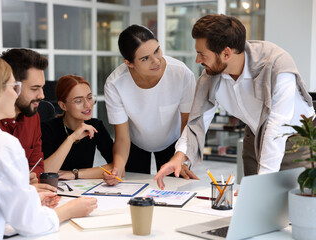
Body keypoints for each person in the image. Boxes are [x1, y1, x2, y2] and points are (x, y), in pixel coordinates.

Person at [155, 14, 315, 189]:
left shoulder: (276, 66)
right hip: (254, 138)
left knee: (295, 208)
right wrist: (179, 156)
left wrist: (261, 186)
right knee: (253, 208)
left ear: (226, 53)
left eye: (202, 54)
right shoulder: (211, 76)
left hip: (297, 141)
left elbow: (277, 128)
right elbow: (197, 121)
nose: (197, 60)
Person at [0, 54, 97, 239]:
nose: (16, 94)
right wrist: (70, 210)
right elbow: (30, 224)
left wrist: (27, 196)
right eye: (14, 87)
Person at [104, 24, 197, 185]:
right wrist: (117, 169)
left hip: (174, 142)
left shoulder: (181, 74)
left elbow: (187, 125)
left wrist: (182, 160)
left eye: (157, 51)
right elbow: (122, 138)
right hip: (134, 144)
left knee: (176, 190)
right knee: (131, 190)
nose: (156, 61)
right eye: (145, 58)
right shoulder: (115, 84)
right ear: (129, 63)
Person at [41, 74, 114, 179]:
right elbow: (45, 171)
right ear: (63, 105)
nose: (88, 105)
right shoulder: (48, 128)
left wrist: (75, 174)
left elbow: (117, 167)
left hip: (83, 188)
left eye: (89, 98)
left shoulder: (96, 126)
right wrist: (72, 138)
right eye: (78, 101)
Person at [0, 48, 47, 180]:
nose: (42, 95)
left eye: (42, 87)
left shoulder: (33, 117)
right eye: (35, 88)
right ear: (13, 86)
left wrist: (31, 178)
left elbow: (38, 165)